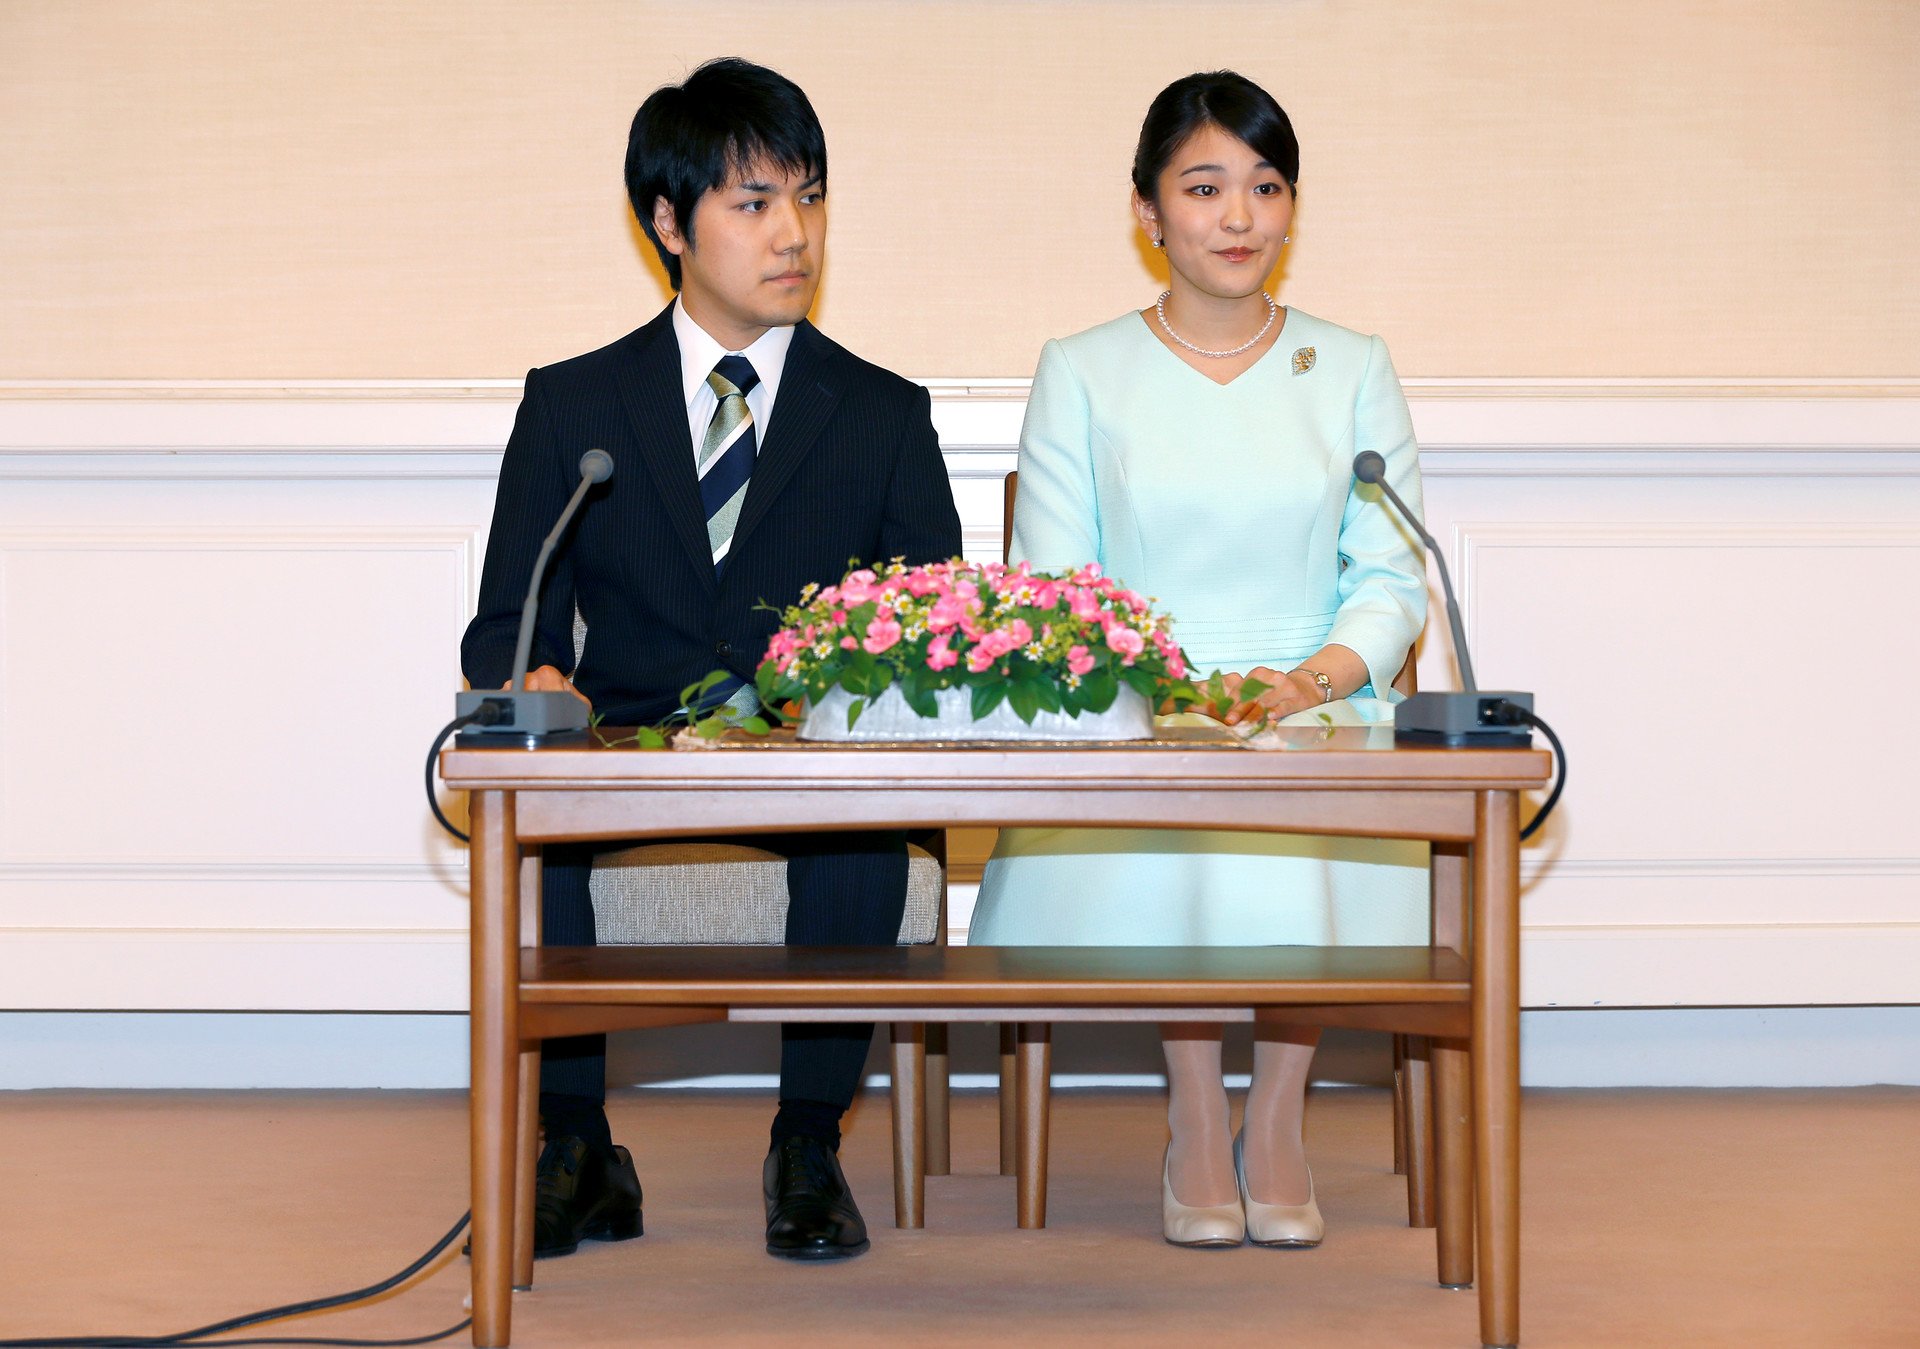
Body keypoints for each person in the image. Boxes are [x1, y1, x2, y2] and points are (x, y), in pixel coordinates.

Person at [461, 57, 961, 1262]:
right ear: (671, 223)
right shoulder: (573, 403)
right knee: (539, 815)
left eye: (810, 197)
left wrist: (847, 702)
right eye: (755, 203)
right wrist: (536, 677)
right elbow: (506, 623)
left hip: (809, 755)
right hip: (630, 753)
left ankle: (807, 1143)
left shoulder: (882, 413)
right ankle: (577, 1145)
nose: (796, 233)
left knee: (857, 824)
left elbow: (938, 629)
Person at [968, 70, 1428, 1249]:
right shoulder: (1083, 367)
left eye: (1265, 188)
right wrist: (1170, 688)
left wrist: (1312, 678)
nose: (1239, 217)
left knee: (1295, 788)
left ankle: (1275, 1115)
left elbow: (1389, 576)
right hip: (1138, 704)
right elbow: (1053, 587)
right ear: (1148, 209)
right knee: (1187, 784)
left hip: (1315, 694)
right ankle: (1194, 1109)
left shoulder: (1353, 364)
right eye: (1206, 187)